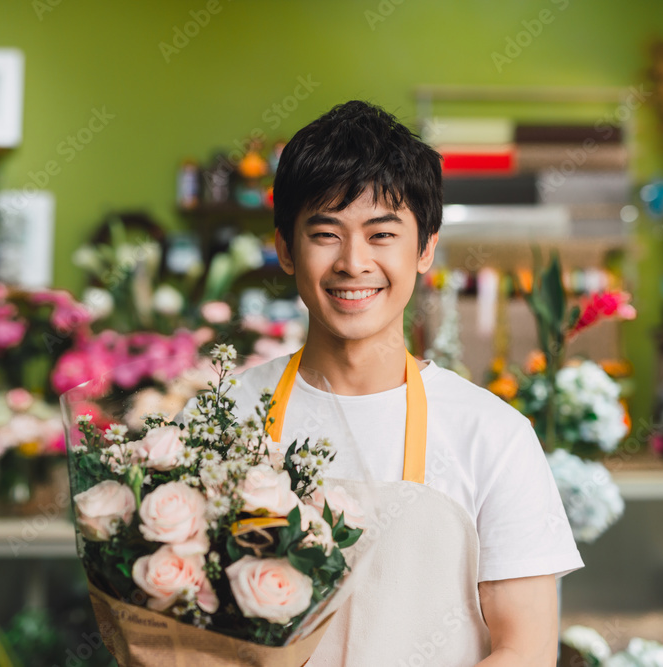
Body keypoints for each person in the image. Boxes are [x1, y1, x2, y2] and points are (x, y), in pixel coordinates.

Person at [202, 100, 583, 665]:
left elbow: (524, 650)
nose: (353, 262)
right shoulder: (221, 417)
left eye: (382, 235)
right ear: (285, 248)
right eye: (325, 233)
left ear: (425, 248)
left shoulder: (492, 433)